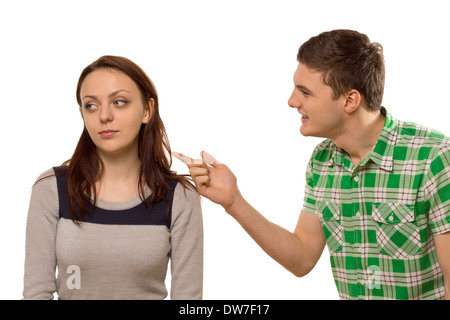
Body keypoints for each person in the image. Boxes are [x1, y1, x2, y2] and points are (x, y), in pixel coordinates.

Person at [174, 29, 450, 300]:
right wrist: (234, 202)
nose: (292, 101)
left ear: (350, 100)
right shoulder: (322, 161)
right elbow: (302, 258)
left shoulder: (433, 158)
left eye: (305, 92)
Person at [23, 55, 203, 300]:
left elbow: (188, 302)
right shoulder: (51, 189)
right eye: (91, 105)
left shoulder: (180, 196)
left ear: (147, 110)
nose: (104, 116)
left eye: (119, 102)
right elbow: (36, 294)